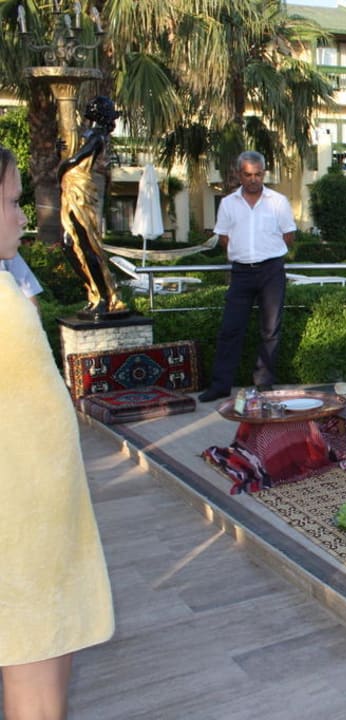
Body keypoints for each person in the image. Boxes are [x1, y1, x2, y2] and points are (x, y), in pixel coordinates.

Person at [1, 145, 115, 719]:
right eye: (11, 202)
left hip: (41, 518)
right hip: (19, 527)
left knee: (54, 653)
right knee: (36, 679)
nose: (22, 217)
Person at [199, 151, 296, 402]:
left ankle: (264, 382)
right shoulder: (228, 203)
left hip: (271, 270)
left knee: (270, 329)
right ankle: (220, 386)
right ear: (239, 175)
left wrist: (267, 251)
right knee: (230, 329)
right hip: (241, 272)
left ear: (264, 174)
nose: (254, 179)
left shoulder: (278, 202)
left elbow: (288, 236)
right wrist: (242, 252)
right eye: (248, 174)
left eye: (258, 174)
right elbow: (223, 237)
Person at [57, 96, 127, 318]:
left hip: (81, 191)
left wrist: (62, 166)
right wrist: (59, 152)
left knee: (87, 245)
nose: (89, 106)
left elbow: (76, 159)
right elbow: (71, 156)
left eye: (94, 105)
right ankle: (94, 293)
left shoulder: (97, 136)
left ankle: (105, 297)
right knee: (68, 245)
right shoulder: (86, 134)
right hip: (70, 189)